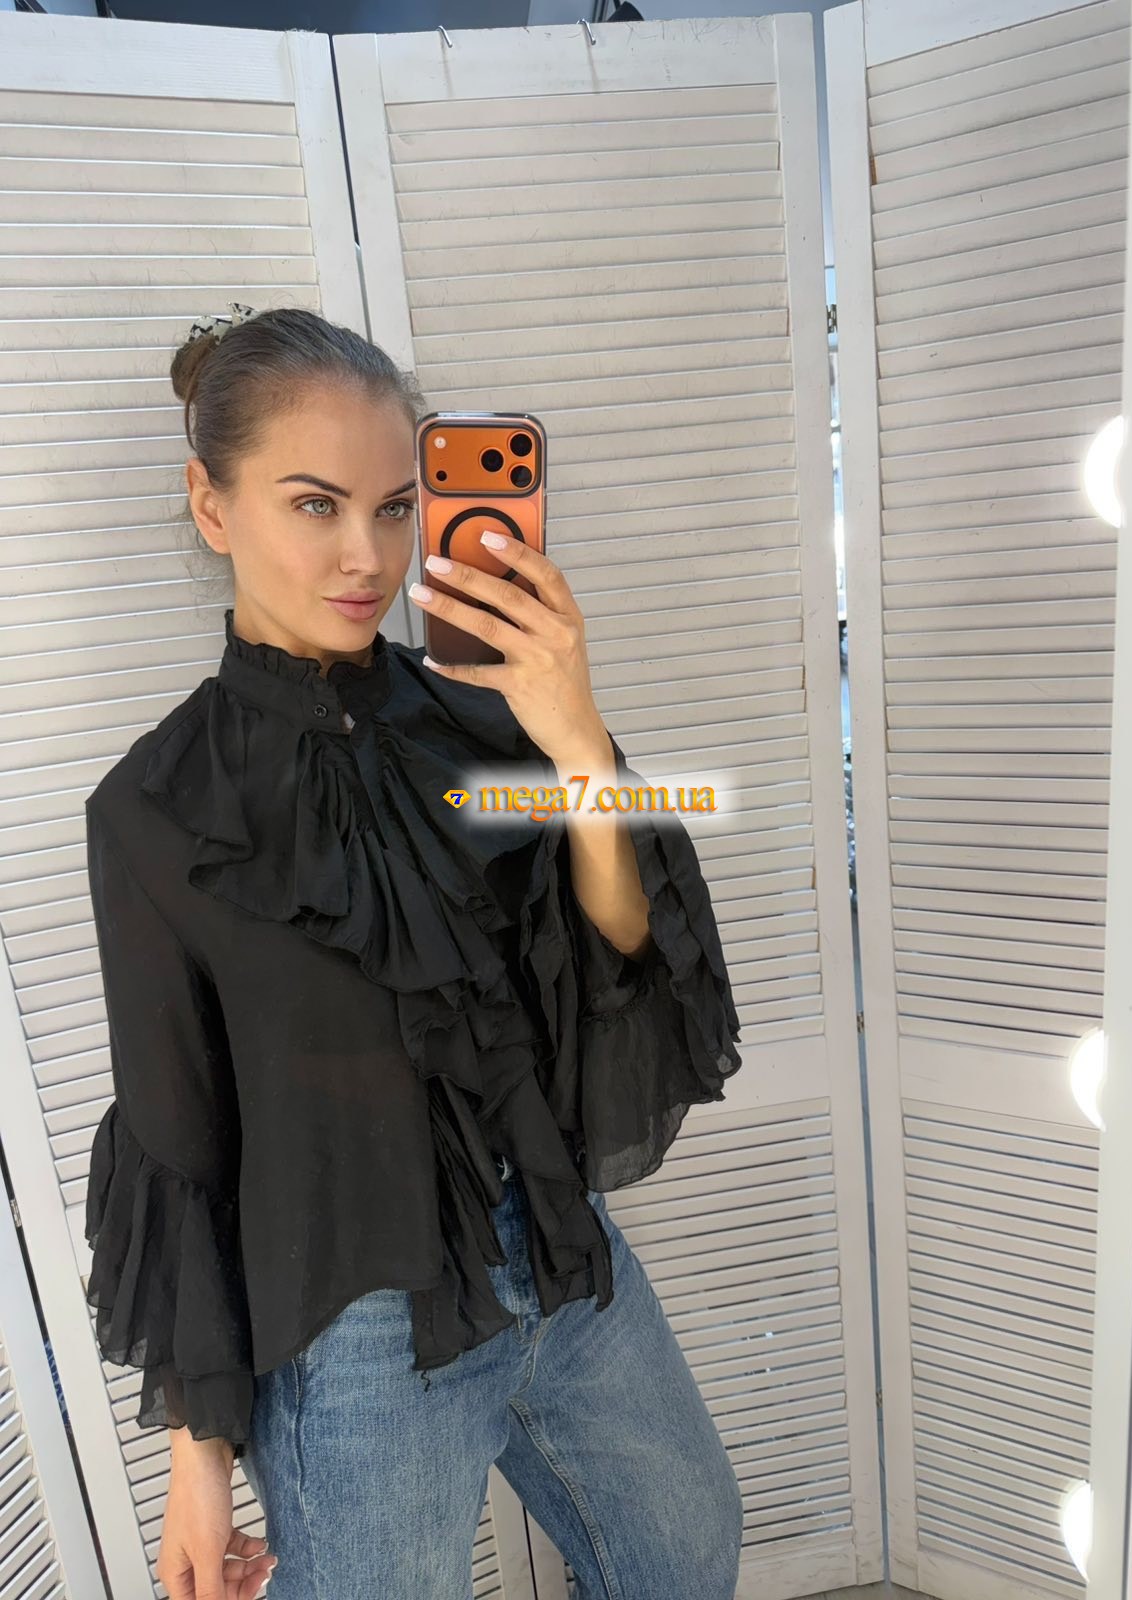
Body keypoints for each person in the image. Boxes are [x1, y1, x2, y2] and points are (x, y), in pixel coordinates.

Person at [82, 305, 745, 1599]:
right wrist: (198, 1464)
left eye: (396, 508)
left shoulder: (478, 719)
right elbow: (178, 1139)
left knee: (684, 1546)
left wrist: (575, 738)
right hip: (357, 1334)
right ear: (212, 507)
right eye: (315, 505)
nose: (367, 556)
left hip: (558, 1249)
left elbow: (622, 950)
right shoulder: (156, 811)